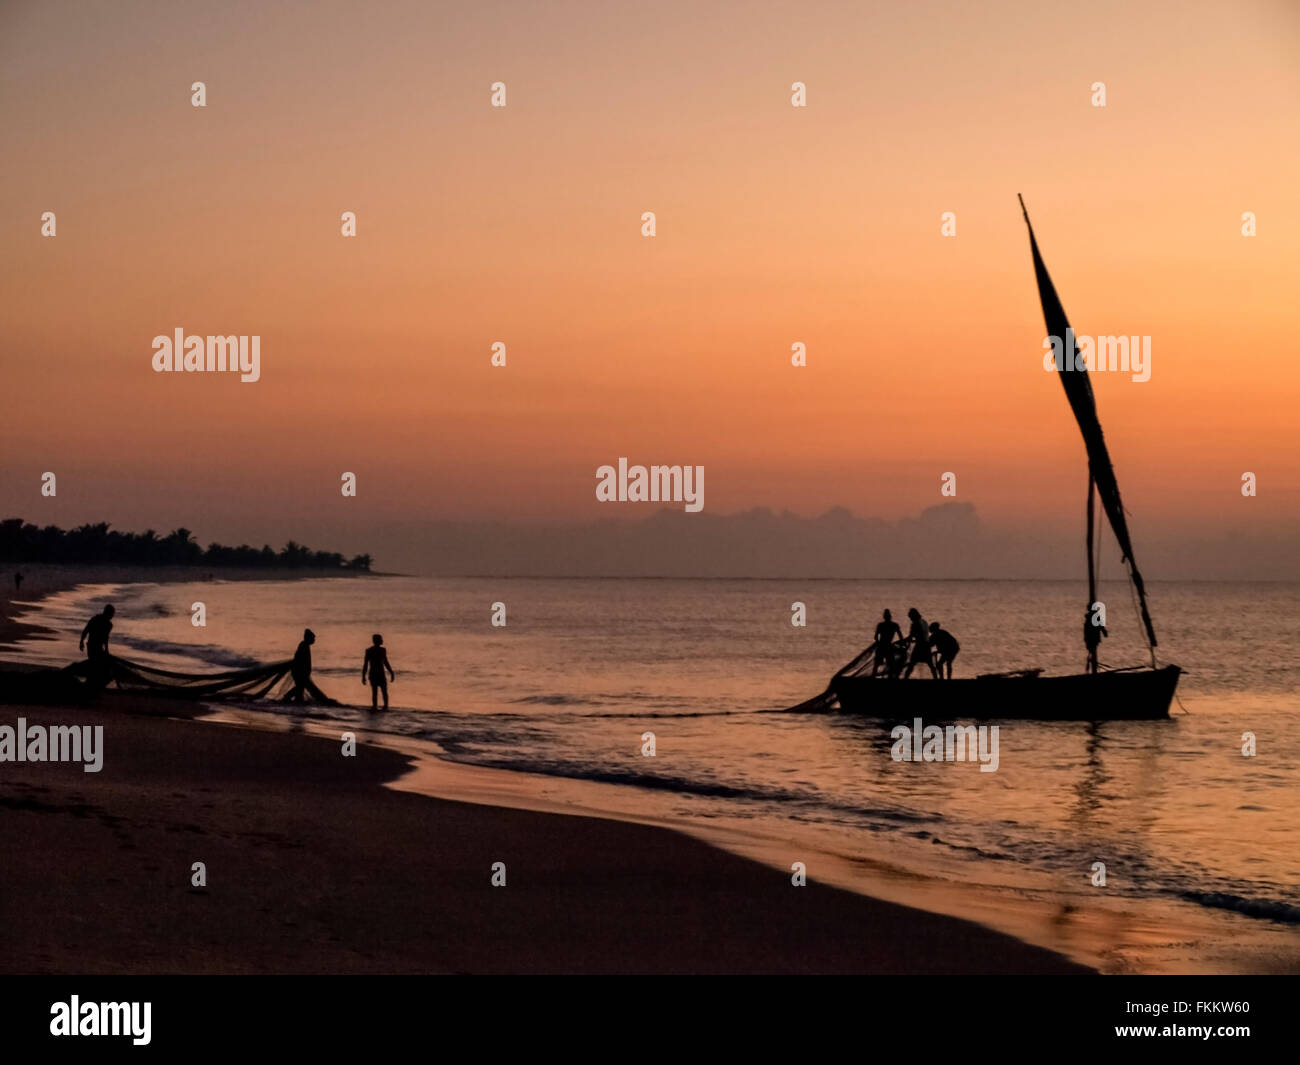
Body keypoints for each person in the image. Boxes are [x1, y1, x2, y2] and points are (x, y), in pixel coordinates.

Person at [79, 603, 115, 688]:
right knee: (96, 667)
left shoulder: (104, 623)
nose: (113, 616)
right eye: (112, 614)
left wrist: (106, 650)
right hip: (93, 647)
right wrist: (81, 642)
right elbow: (86, 631)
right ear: (108, 613)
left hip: (95, 647)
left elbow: (105, 638)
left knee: (97, 667)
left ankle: (92, 685)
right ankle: (92, 686)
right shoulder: (102, 622)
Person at [361, 634, 395, 711]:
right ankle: (376, 707)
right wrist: (363, 676)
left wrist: (391, 672)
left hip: (379, 674)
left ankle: (384, 707)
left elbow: (385, 662)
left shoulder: (382, 650)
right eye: (381, 639)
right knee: (377, 692)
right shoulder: (369, 651)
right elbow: (366, 664)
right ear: (376, 641)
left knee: (382, 692)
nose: (382, 640)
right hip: (375, 674)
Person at [284, 628, 316, 704]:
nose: (314, 640)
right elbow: (299, 660)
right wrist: (304, 672)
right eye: (313, 638)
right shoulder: (303, 645)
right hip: (299, 672)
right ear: (308, 638)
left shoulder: (304, 645)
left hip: (300, 672)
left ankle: (296, 701)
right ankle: (287, 697)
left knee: (300, 688)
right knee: (300, 687)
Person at [902, 607, 937, 679]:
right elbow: (923, 635)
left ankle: (905, 678)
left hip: (920, 646)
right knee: (930, 664)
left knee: (912, 664)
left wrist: (902, 641)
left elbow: (910, 637)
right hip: (927, 645)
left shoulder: (915, 624)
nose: (910, 619)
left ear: (913, 616)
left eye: (911, 617)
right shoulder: (924, 622)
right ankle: (936, 678)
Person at [872, 609, 902, 676]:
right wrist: (902, 644)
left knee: (876, 664)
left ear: (884, 617)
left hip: (881, 646)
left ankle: (873, 676)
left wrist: (878, 643)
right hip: (889, 646)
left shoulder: (880, 625)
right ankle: (890, 677)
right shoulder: (895, 625)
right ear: (890, 617)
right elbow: (900, 637)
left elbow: (876, 637)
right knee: (891, 664)